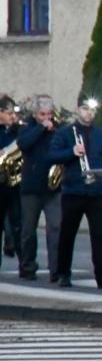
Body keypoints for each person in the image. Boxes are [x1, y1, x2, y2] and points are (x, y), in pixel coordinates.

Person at [48, 97, 102, 289]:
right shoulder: (65, 133)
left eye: (92, 110)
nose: (89, 113)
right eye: (85, 109)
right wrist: (71, 152)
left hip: (96, 192)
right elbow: (52, 156)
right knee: (67, 234)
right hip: (73, 191)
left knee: (99, 236)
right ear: (78, 109)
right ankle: (63, 274)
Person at [14, 96, 64, 282]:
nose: (47, 118)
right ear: (35, 115)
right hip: (31, 188)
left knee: (55, 227)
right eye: (43, 114)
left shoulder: (57, 130)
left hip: (52, 187)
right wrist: (41, 128)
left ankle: (56, 269)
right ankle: (27, 266)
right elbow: (23, 144)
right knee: (28, 230)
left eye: (49, 114)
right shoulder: (27, 127)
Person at [0, 96, 20, 259]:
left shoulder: (18, 130)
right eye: (10, 112)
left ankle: (25, 265)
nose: (13, 116)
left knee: (18, 223)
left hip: (14, 184)